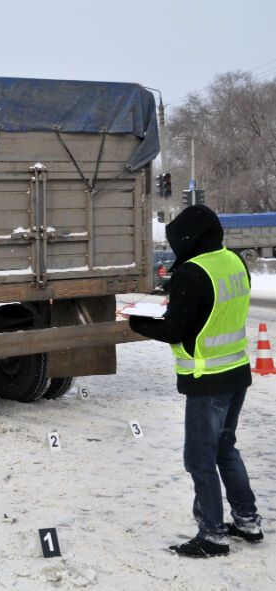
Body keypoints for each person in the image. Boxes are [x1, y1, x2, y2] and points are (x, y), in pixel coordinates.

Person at [129, 204, 262, 558]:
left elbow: (176, 327)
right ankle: (247, 521)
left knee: (199, 459)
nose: (175, 250)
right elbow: (210, 313)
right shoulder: (234, 261)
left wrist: (137, 322)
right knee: (225, 449)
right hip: (236, 371)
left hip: (208, 379)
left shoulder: (192, 272)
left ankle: (212, 536)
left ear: (190, 239)